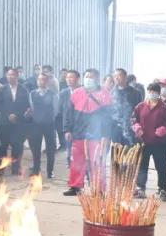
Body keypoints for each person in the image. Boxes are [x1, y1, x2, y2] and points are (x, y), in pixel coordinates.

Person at [63, 68, 112, 196]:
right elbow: (68, 113)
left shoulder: (105, 94)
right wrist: (67, 129)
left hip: (97, 135)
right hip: (78, 133)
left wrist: (106, 135)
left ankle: (99, 189)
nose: (88, 79)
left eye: (91, 77)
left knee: (97, 162)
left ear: (97, 79)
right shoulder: (76, 93)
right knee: (76, 161)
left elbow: (108, 117)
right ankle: (75, 186)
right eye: (87, 76)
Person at [131, 83, 166, 201]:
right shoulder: (140, 106)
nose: (152, 93)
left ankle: (162, 189)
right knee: (142, 166)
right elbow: (133, 118)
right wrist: (137, 127)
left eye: (155, 92)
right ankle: (141, 188)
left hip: (159, 142)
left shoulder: (164, 108)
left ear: (159, 93)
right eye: (150, 91)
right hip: (144, 141)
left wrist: (164, 129)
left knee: (161, 166)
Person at [0, 68, 29, 176]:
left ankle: (15, 168)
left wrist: (16, 115)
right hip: (5, 122)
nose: (10, 77)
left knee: (17, 145)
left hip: (18, 122)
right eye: (8, 75)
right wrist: (8, 114)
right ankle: (1, 167)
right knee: (3, 145)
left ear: (17, 76)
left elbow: (26, 105)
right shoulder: (2, 89)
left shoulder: (23, 89)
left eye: (12, 75)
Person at [26, 72, 57, 179]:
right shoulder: (32, 94)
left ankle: (50, 171)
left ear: (47, 82)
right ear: (37, 81)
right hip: (36, 125)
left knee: (50, 149)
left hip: (49, 125)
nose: (41, 81)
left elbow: (56, 110)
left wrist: (48, 118)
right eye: (39, 79)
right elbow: (32, 107)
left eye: (44, 79)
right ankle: (36, 170)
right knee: (36, 149)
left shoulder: (53, 94)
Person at [111, 68, 141, 145]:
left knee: (130, 150)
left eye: (119, 75)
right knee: (116, 151)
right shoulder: (111, 93)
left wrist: (138, 127)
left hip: (130, 128)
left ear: (125, 77)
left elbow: (139, 112)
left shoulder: (135, 93)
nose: (116, 78)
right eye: (114, 76)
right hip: (116, 129)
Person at [59, 70, 79, 167]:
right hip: (69, 126)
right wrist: (66, 129)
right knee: (69, 149)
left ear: (77, 79)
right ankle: (70, 164)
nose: (68, 79)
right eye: (67, 77)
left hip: (81, 126)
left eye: (71, 77)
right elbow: (63, 111)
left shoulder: (83, 91)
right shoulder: (63, 93)